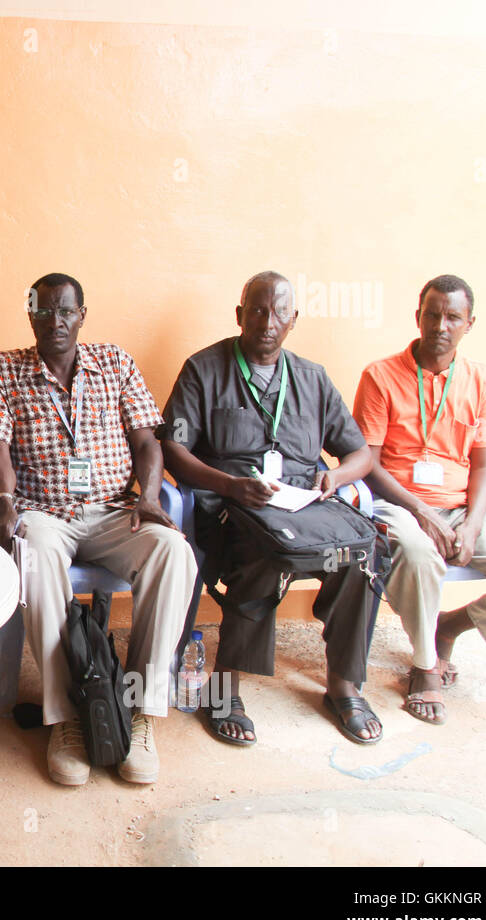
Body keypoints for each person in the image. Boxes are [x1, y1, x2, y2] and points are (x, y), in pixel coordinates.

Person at [0, 273, 197, 786]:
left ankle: (137, 711)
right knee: (33, 549)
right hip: (43, 511)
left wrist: (153, 498)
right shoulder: (3, 368)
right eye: (44, 312)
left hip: (116, 509)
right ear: (30, 316)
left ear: (83, 316)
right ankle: (68, 716)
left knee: (173, 552)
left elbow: (146, 440)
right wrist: (4, 505)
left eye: (66, 312)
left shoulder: (115, 362)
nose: (56, 322)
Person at [161, 270, 380, 746]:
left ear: (293, 320)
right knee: (262, 553)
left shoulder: (313, 378)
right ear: (240, 315)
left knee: (364, 555)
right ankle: (224, 690)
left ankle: (343, 685)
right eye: (258, 310)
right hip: (231, 508)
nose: (268, 320)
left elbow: (360, 453)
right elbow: (174, 450)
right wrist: (230, 485)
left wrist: (335, 478)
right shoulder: (204, 368)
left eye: (280, 311)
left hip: (302, 503)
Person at [352, 274, 486, 725]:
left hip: (460, 509)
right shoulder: (380, 376)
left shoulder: (480, 380)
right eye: (432, 314)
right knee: (417, 553)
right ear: (417, 317)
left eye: (453, 316)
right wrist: (422, 512)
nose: (440, 325)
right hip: (398, 504)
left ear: (469, 323)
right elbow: (366, 463)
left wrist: (471, 524)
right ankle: (424, 664)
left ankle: (449, 626)